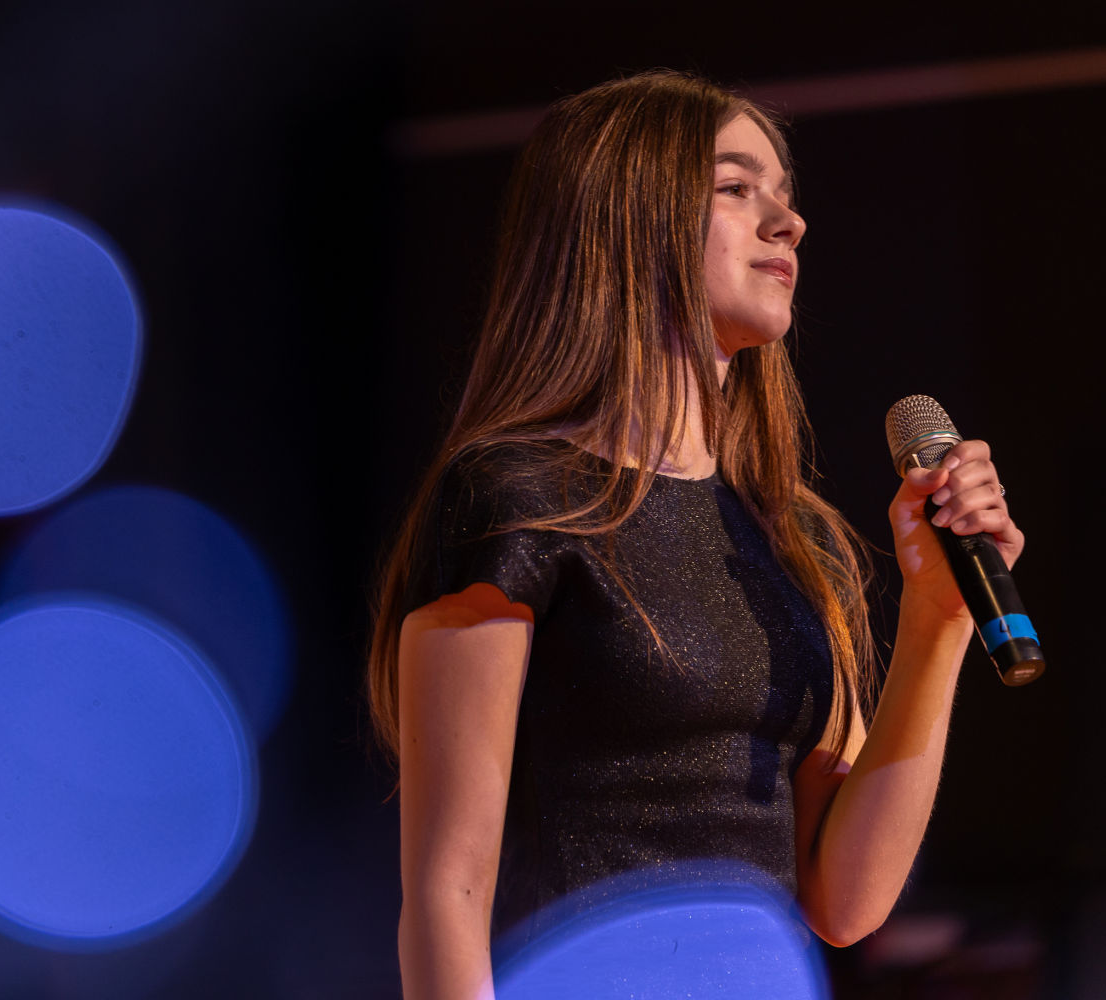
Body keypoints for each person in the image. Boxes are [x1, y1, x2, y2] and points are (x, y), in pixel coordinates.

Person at [366, 70, 1023, 999]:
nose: (788, 223)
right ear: (631, 217)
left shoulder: (795, 541)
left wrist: (939, 616)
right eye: (737, 188)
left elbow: (846, 900)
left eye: (785, 195)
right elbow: (448, 888)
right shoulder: (518, 499)